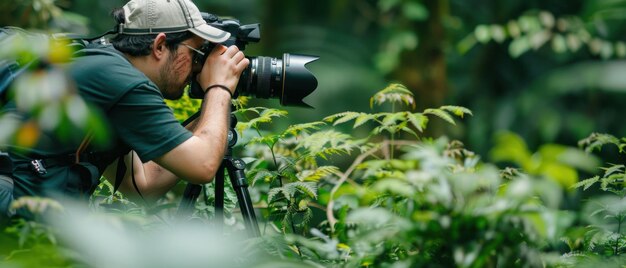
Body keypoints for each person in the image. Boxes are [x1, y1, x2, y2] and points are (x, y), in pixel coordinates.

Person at [0, 0, 249, 220]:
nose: (198, 68)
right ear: (160, 45)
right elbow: (202, 165)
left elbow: (142, 185)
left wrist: (210, 115)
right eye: (195, 54)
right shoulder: (121, 81)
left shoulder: (104, 67)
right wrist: (219, 87)